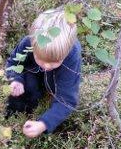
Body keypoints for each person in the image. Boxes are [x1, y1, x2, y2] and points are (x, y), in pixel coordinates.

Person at [5, 8, 82, 138]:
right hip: (32, 73)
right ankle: (12, 118)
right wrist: (15, 79)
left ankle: (47, 94)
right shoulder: (28, 42)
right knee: (28, 89)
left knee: (60, 95)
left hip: (57, 78)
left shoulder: (72, 56)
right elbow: (13, 63)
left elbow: (67, 100)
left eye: (55, 62)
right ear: (33, 47)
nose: (47, 66)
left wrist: (43, 124)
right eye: (40, 58)